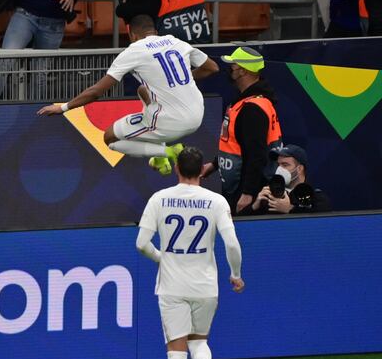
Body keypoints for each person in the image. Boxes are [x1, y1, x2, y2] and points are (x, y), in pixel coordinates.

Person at [136, 146, 244, 359]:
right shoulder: (216, 200)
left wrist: (163, 258)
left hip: (172, 286)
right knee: (200, 342)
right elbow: (232, 243)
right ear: (202, 171)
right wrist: (235, 274)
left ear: (176, 169)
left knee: (176, 352)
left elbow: (141, 243)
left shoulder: (159, 199)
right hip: (206, 285)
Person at [38, 14, 220, 175]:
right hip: (198, 114)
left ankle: (168, 152)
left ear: (130, 33)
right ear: (155, 31)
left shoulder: (133, 51)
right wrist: (183, 80)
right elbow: (212, 68)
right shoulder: (176, 41)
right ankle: (159, 154)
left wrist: (63, 107)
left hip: (171, 122)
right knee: (143, 90)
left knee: (109, 138)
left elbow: (96, 92)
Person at [201, 47, 282, 214]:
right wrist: (214, 165)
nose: (229, 69)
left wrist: (248, 193)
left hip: (244, 191)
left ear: (243, 71)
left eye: (233, 65)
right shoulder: (251, 101)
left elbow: (257, 154)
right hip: (239, 184)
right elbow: (237, 144)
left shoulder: (252, 109)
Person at [251, 144, 332, 214]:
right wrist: (254, 207)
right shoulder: (269, 193)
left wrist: (291, 209)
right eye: (278, 164)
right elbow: (241, 226)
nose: (279, 169)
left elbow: (323, 222)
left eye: (285, 165)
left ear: (299, 169)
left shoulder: (316, 197)